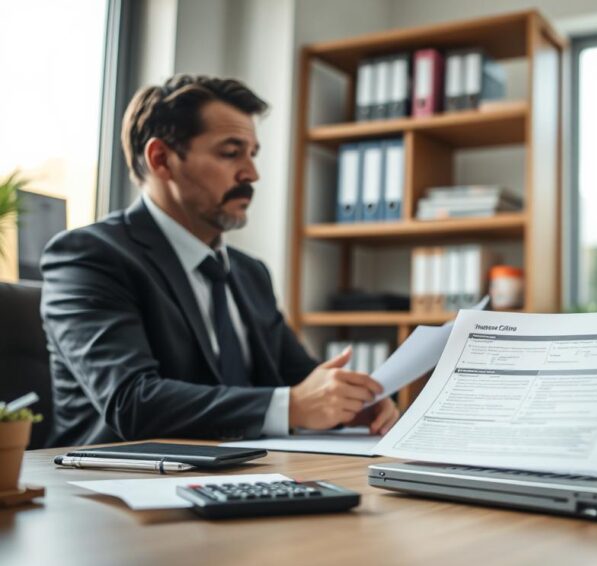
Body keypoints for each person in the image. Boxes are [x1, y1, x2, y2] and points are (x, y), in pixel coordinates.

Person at [41, 75, 399, 446]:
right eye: (231, 153)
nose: (251, 173)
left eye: (252, 153)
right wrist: (291, 407)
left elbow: (301, 379)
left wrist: (352, 400)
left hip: (239, 476)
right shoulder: (89, 257)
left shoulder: (249, 273)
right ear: (161, 159)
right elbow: (131, 402)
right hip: (112, 483)